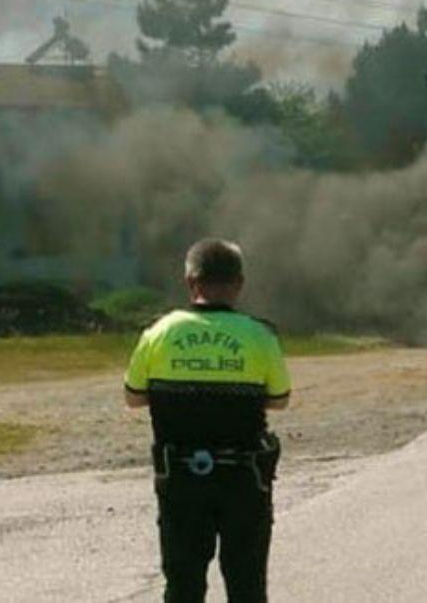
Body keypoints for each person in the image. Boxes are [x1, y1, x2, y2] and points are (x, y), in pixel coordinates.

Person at [125, 238, 291, 603]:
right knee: (247, 586)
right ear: (239, 284)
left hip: (181, 479)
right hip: (244, 480)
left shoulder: (159, 333)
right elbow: (279, 400)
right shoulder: (260, 335)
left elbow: (133, 397)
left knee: (183, 585)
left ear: (190, 282)